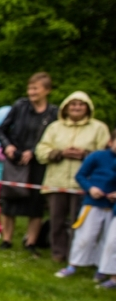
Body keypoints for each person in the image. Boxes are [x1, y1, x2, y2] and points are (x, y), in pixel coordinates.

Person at [35, 91, 110, 262]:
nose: (77, 107)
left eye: (81, 104)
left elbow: (106, 155)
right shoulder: (55, 127)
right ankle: (58, 253)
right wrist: (59, 153)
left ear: (88, 108)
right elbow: (41, 151)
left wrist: (86, 155)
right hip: (57, 180)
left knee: (81, 223)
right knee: (57, 221)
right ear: (66, 107)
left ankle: (78, 256)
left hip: (85, 184)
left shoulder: (98, 128)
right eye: (73, 104)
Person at [0, 72, 59, 253]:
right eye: (29, 88)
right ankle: (6, 239)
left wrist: (33, 151)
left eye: (35, 88)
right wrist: (8, 146)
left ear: (47, 90)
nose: (31, 92)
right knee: (8, 201)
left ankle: (31, 242)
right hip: (14, 159)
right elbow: (2, 130)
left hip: (38, 162)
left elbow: (54, 137)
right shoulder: (19, 106)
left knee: (35, 204)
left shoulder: (53, 113)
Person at [56, 130, 116, 279]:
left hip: (112, 207)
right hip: (93, 204)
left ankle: (102, 268)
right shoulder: (97, 156)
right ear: (110, 142)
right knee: (85, 236)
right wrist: (91, 188)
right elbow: (81, 175)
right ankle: (73, 265)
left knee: (108, 239)